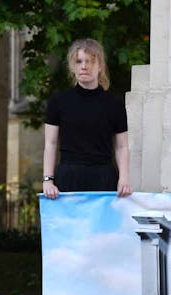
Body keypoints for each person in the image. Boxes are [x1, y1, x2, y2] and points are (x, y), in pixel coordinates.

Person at [42, 38, 132, 199]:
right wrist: (48, 180)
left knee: (104, 225)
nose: (84, 66)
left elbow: (122, 146)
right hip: (68, 178)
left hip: (104, 178)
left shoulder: (114, 104)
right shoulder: (58, 101)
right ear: (72, 66)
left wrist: (124, 178)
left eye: (90, 61)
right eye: (79, 61)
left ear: (100, 66)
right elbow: (50, 143)